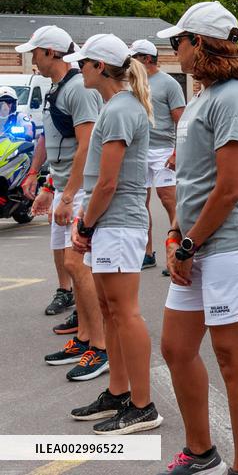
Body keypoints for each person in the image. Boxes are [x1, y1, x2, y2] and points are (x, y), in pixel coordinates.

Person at [156, 1, 238, 475]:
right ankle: (201, 449)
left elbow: (228, 188)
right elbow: (194, 181)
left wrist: (188, 245)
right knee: (176, 349)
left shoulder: (234, 98)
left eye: (176, 41)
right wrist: (175, 233)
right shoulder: (203, 97)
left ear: (198, 43)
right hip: (199, 244)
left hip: (233, 246)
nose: (173, 49)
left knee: (233, 361)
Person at [66, 33, 162, 434]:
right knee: (110, 310)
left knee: (124, 312)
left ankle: (143, 404)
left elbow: (108, 182)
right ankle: (119, 392)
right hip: (111, 223)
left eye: (82, 64)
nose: (78, 69)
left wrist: (86, 223)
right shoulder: (116, 106)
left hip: (118, 222)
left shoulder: (121, 109)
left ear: (99, 67)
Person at [18, 26, 109, 379]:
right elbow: (49, 136)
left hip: (79, 187)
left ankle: (98, 347)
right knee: (70, 264)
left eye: (35, 52)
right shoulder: (55, 88)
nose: (32, 59)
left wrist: (69, 194)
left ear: (51, 52)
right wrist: (42, 180)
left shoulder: (78, 90)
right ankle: (85, 338)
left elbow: (87, 146)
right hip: (62, 184)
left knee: (78, 263)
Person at [128, 39, 185, 271]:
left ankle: (176, 252)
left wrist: (176, 153)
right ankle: (147, 253)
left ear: (147, 59)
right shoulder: (131, 84)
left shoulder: (169, 84)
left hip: (163, 150)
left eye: (135, 58)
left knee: (169, 199)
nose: (130, 63)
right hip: (139, 149)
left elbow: (181, 121)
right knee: (141, 204)